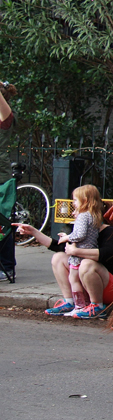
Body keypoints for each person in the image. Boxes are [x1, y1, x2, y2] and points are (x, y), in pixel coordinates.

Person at [14, 220, 113, 319]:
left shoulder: (110, 232)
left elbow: (105, 254)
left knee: (87, 264)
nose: (73, 213)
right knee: (59, 257)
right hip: (91, 286)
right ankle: (70, 302)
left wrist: (75, 251)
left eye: (77, 210)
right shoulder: (81, 232)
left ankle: (97, 306)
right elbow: (58, 246)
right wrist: (34, 232)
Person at [56, 185, 104, 315]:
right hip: (88, 252)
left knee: (74, 280)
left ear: (85, 201)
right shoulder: (94, 215)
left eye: (76, 200)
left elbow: (80, 234)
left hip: (79, 253)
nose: (74, 203)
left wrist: (67, 237)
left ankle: (78, 306)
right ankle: (85, 305)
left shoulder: (83, 216)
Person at [0, 81, 18, 283]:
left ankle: (7, 266)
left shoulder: (4, 120)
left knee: (2, 223)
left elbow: (6, 111)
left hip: (0, 178)